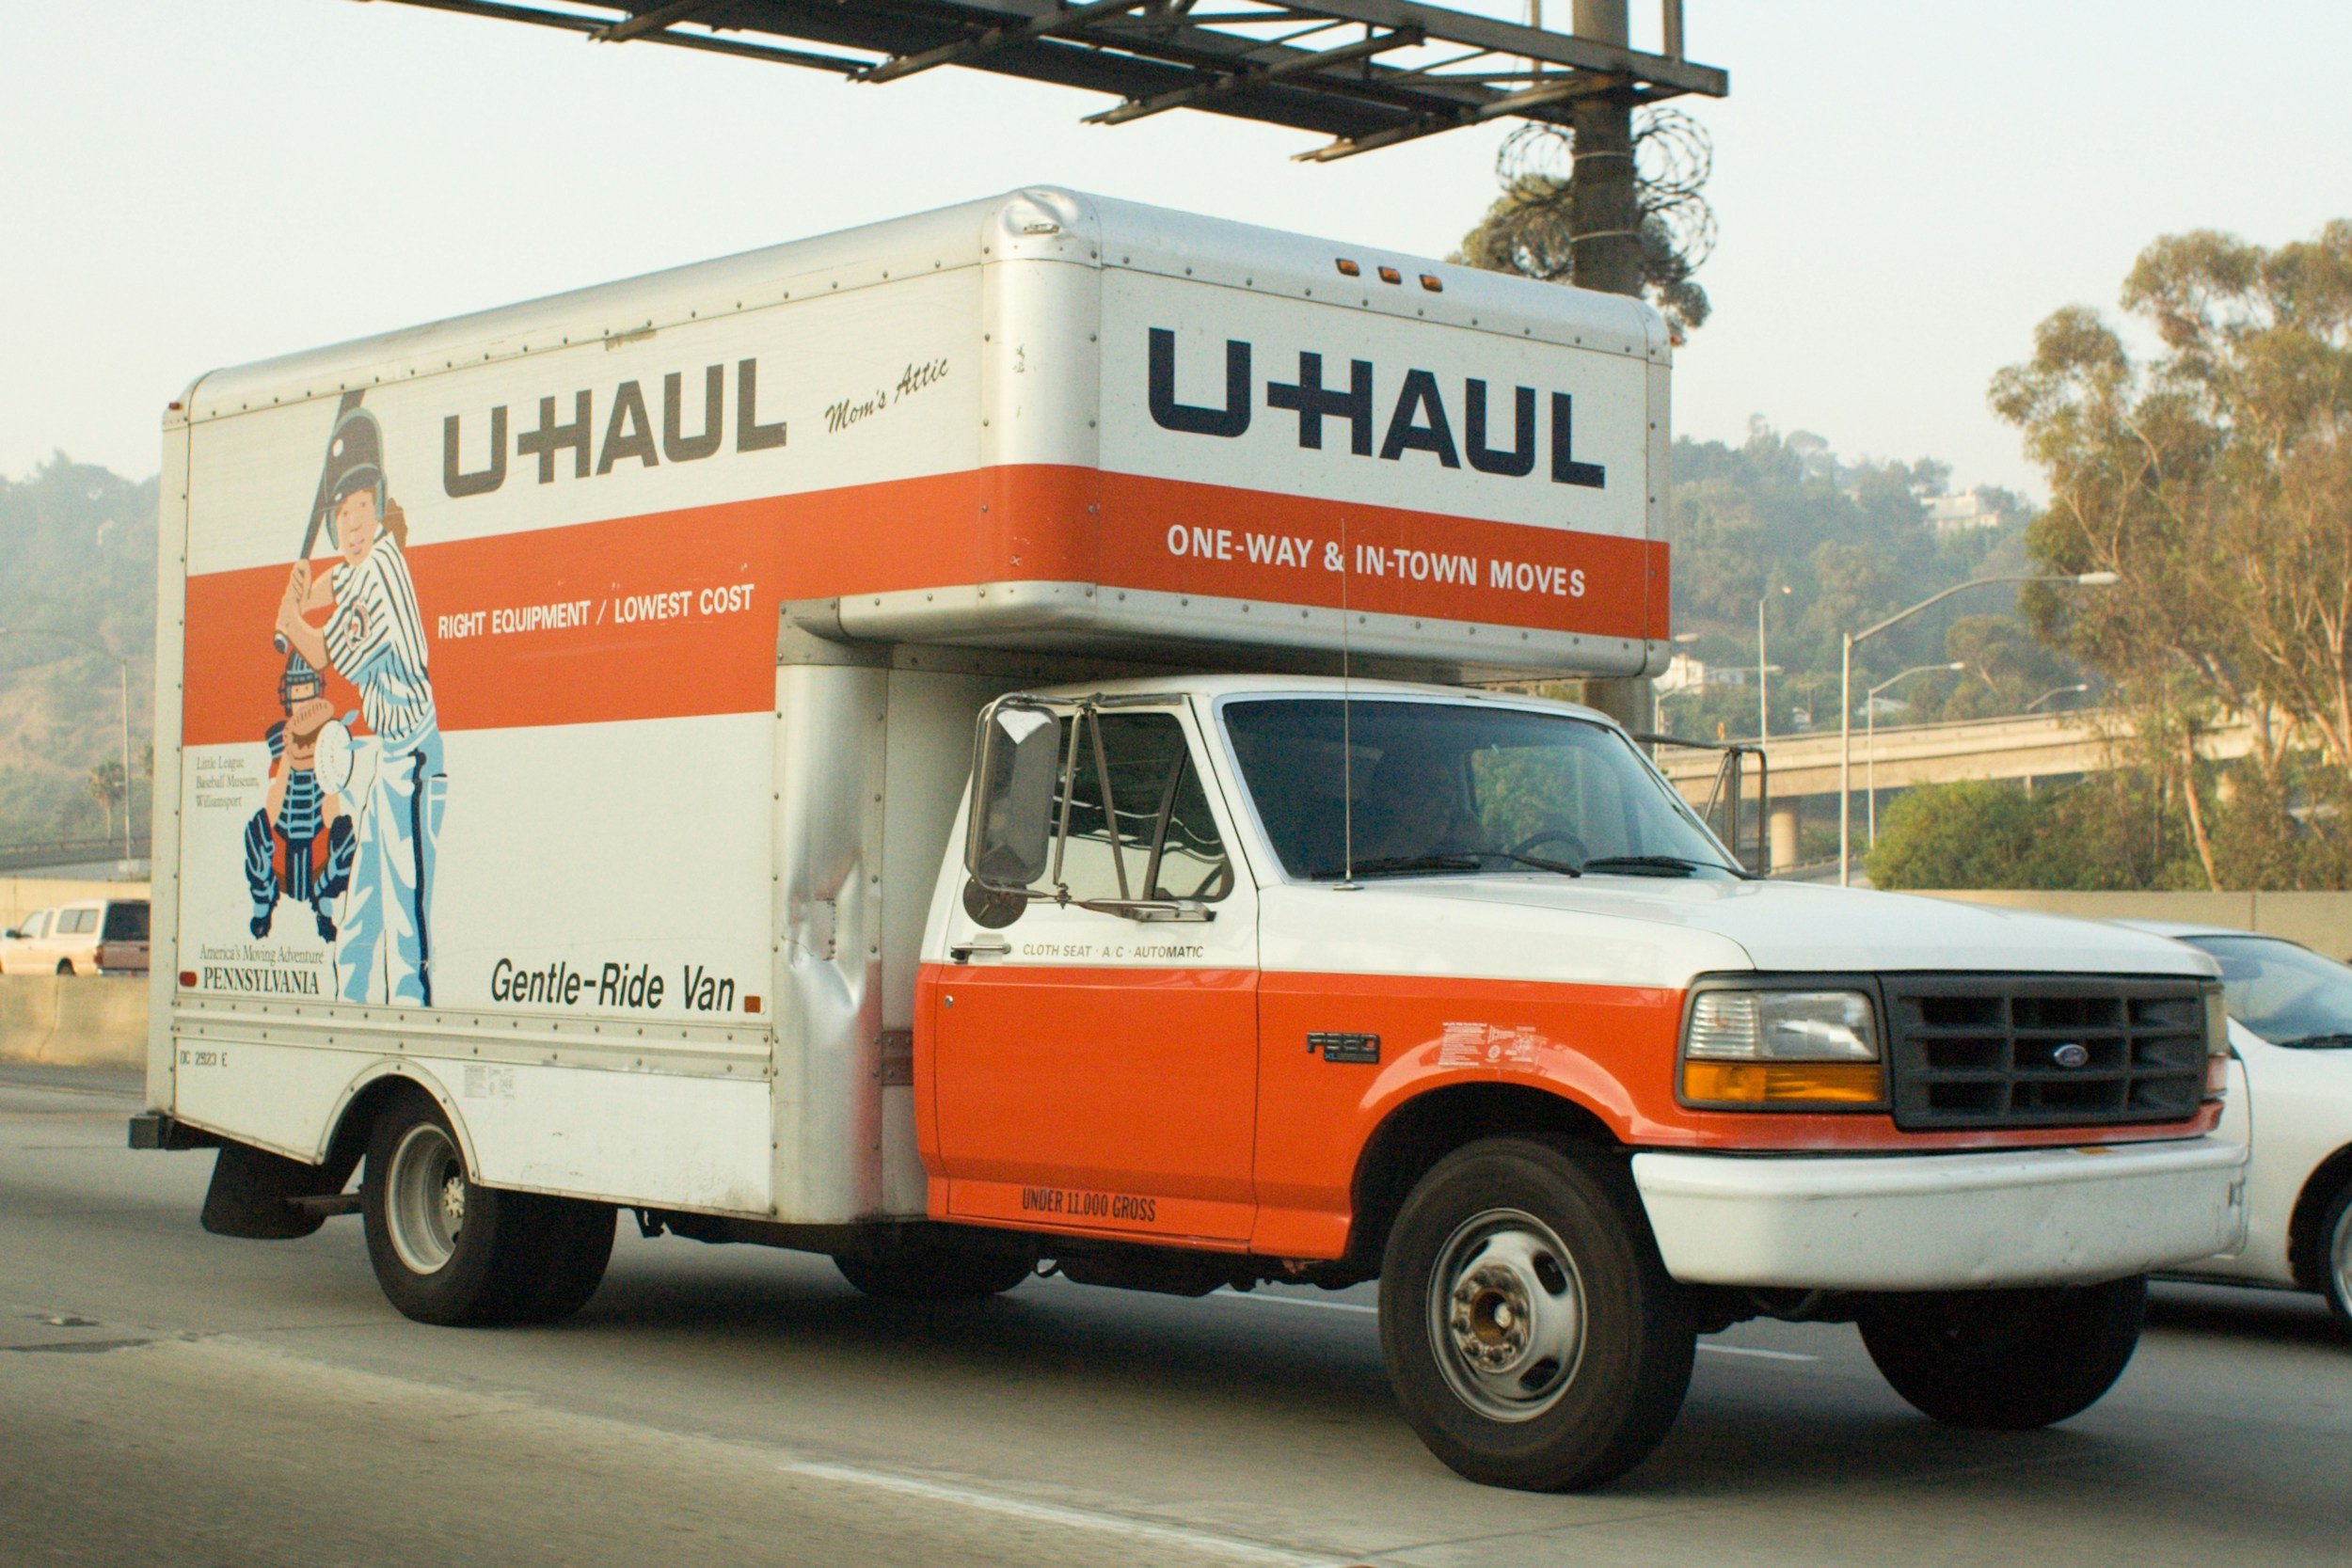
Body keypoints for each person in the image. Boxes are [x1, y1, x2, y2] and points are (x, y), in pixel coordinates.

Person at [275, 407, 445, 1005]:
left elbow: (321, 650)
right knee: (364, 903)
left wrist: (290, 620)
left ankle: (410, 1014)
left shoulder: (382, 574)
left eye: (364, 508)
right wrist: (302, 592)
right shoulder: (366, 561)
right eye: (343, 514)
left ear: (379, 511)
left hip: (415, 758)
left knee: (404, 907)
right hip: (391, 757)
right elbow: (334, 584)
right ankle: (348, 1007)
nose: (355, 524)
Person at [1358, 742, 1489, 863]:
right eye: (1434, 789)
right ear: (1391, 799)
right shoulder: (1360, 867)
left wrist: (1482, 848)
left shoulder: (1460, 861)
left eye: (1450, 789)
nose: (1448, 799)